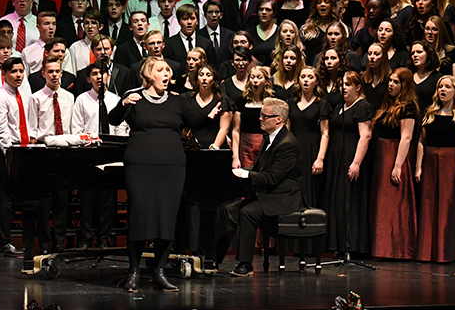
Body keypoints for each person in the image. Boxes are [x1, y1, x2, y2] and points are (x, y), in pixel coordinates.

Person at [107, 57, 216, 292]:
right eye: (161, 70)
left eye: (168, 70)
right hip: (140, 164)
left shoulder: (177, 101)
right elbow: (112, 119)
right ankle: (134, 271)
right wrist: (124, 103)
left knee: (167, 217)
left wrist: (212, 110)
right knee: (140, 215)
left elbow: (195, 121)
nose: (166, 73)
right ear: (148, 75)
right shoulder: (134, 97)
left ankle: (160, 271)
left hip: (172, 165)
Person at [215, 97, 304, 276]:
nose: (260, 119)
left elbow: (271, 178)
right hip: (269, 195)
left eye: (264, 116)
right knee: (229, 210)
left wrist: (246, 174)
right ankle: (214, 259)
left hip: (283, 198)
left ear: (279, 119)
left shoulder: (288, 145)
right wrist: (236, 171)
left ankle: (245, 263)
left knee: (247, 212)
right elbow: (258, 168)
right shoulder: (270, 138)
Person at [416, 76, 455, 263]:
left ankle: (452, 251)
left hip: (452, 164)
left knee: (450, 207)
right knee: (430, 206)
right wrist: (418, 166)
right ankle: (429, 251)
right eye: (440, 86)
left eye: (447, 87)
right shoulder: (430, 112)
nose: (443, 90)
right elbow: (421, 142)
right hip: (431, 164)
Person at [72, 61, 129, 250]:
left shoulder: (115, 99)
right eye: (95, 74)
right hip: (89, 153)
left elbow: (121, 127)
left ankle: (105, 239)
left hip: (110, 152)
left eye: (102, 73)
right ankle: (86, 240)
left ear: (109, 77)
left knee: (108, 200)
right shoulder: (82, 99)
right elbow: (77, 128)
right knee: (87, 201)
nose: (99, 77)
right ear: (89, 79)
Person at [321, 71, 374, 256]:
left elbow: (365, 136)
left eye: (348, 84)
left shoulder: (363, 107)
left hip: (351, 156)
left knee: (349, 200)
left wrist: (356, 162)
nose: (343, 88)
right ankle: (338, 244)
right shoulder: (338, 108)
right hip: (336, 158)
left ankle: (352, 245)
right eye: (342, 84)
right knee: (337, 200)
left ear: (358, 87)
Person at [369, 67, 418, 260]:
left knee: (394, 201)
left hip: (394, 153)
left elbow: (406, 138)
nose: (391, 84)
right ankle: (380, 247)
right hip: (382, 153)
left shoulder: (408, 106)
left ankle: (396, 249)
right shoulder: (388, 103)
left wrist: (398, 165)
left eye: (396, 82)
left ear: (404, 85)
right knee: (381, 201)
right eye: (390, 80)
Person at [27, 56, 74, 252]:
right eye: (51, 71)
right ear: (43, 74)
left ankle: (59, 242)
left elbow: (72, 127)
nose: (54, 75)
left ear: (61, 73)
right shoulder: (36, 98)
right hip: (44, 150)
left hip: (63, 151)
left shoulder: (69, 97)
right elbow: (32, 129)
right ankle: (45, 243)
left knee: (62, 201)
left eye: (57, 71)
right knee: (44, 204)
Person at [0, 56, 29, 257]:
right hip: (6, 153)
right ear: (5, 74)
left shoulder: (21, 95)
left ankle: (13, 240)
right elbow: (1, 130)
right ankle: (2, 243)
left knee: (17, 198)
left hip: (21, 151)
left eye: (21, 71)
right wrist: (10, 156)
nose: (18, 75)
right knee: (5, 199)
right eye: (14, 71)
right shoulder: (0, 97)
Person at [287, 66, 330, 208]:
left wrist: (320, 159)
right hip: (294, 149)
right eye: (303, 76)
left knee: (311, 188)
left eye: (310, 77)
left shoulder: (321, 104)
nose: (306, 80)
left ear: (316, 82)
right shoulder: (290, 103)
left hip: (312, 149)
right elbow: (287, 130)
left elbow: (325, 133)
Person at [231, 65, 273, 170]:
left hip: (266, 144)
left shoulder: (272, 102)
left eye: (259, 77)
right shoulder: (241, 101)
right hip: (246, 146)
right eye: (252, 77)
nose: (255, 81)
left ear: (266, 81)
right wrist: (235, 156)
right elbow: (236, 130)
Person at [164, 4, 216, 74]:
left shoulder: (207, 43)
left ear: (197, 21)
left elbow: (212, 68)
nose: (189, 22)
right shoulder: (169, 44)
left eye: (192, 18)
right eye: (185, 19)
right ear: (179, 22)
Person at [300, 0, 339, 66]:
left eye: (326, 2)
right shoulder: (306, 29)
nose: (322, 5)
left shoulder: (341, 29)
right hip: (312, 70)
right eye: (319, 2)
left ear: (332, 5)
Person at [250, 0, 278, 66]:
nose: (264, 12)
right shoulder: (249, 34)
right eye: (261, 9)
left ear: (274, 13)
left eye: (268, 10)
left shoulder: (280, 32)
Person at [362, 42, 391, 109]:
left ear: (383, 57)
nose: (372, 57)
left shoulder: (390, 79)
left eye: (376, 54)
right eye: (369, 54)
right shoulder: (363, 78)